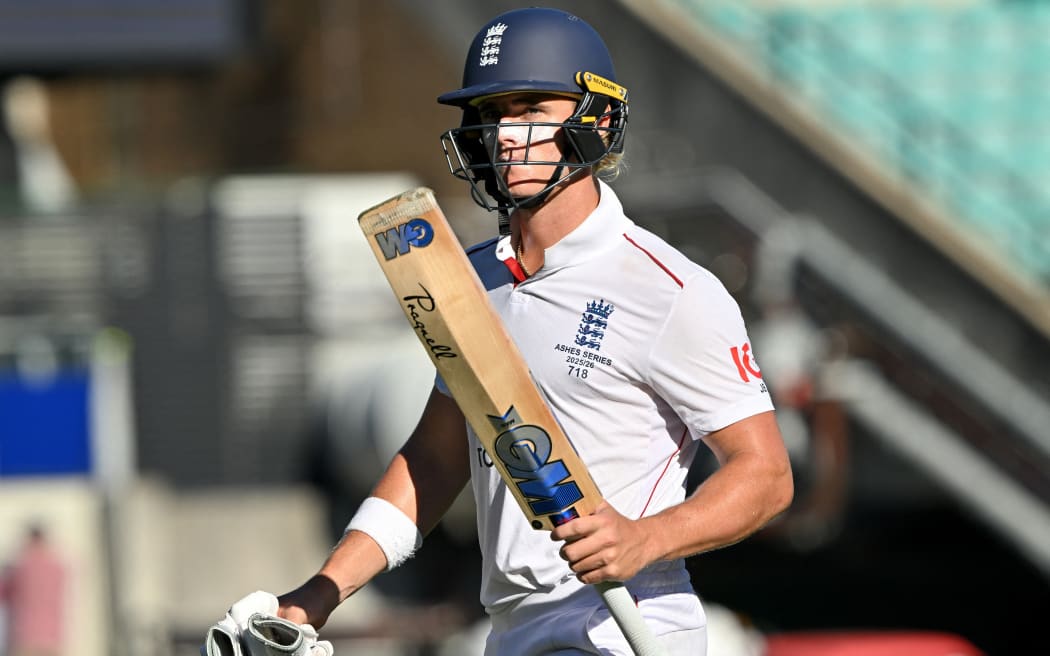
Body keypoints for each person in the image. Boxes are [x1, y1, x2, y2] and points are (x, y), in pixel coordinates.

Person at [275, 7, 792, 655]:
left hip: (624, 630)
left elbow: (767, 476)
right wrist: (317, 596)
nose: (503, 134)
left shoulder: (669, 289)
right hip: (513, 633)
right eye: (491, 114)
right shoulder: (464, 278)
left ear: (595, 119)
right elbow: (433, 462)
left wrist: (645, 538)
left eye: (529, 110)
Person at [0, 525, 67, 656]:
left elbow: (3, 593)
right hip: (52, 636)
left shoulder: (18, 567)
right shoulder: (57, 567)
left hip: (24, 635)